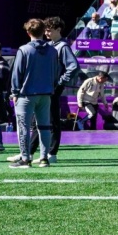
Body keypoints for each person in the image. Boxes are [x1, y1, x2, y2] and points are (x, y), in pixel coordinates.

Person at [8, 19, 61, 169]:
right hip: (46, 94)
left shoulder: (24, 50)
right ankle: (44, 158)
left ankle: (25, 159)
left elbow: (17, 73)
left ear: (28, 32)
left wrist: (14, 92)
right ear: (44, 31)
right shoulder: (53, 50)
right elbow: (56, 72)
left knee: (24, 127)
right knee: (44, 126)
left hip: (26, 94)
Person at [43, 17, 81, 163]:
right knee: (43, 120)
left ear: (58, 30)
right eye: (46, 30)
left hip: (53, 88)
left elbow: (73, 66)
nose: (46, 33)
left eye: (49, 30)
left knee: (52, 120)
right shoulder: (50, 45)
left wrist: (60, 82)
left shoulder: (62, 47)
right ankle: (42, 151)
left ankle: (52, 153)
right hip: (47, 87)